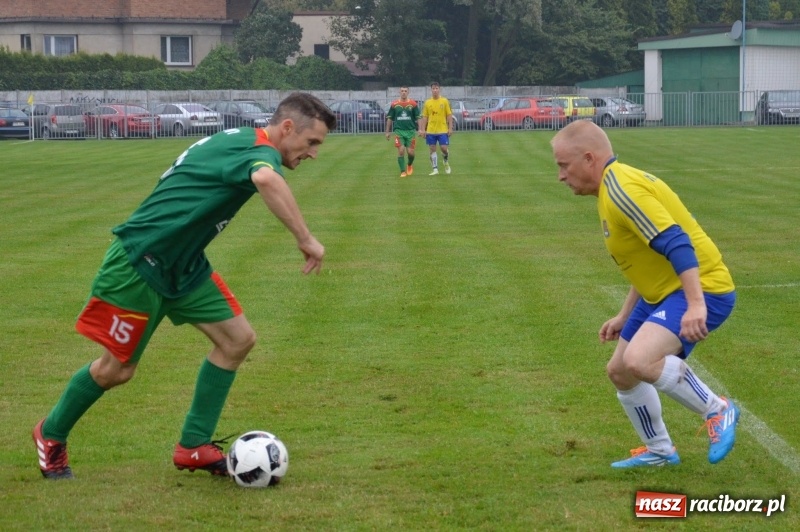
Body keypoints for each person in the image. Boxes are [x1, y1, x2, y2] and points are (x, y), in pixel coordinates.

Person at [32, 92, 337, 480]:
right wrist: (305, 238)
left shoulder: (243, 141)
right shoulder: (258, 151)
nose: (313, 153)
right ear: (287, 127)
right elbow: (265, 178)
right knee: (116, 371)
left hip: (185, 266)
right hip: (140, 262)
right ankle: (51, 433)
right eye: (311, 142)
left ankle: (194, 445)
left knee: (237, 340)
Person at [550, 120, 739, 468]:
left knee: (639, 360)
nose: (561, 176)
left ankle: (718, 410)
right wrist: (625, 315)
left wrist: (696, 303)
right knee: (621, 371)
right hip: (665, 293)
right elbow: (647, 258)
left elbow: (677, 243)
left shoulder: (623, 191)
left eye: (564, 165)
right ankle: (661, 451)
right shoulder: (611, 188)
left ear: (589, 158)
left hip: (704, 287)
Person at [417, 82, 453, 175]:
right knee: (432, 149)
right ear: (431, 90)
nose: (435, 90)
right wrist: (423, 130)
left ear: (439, 89)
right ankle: (435, 169)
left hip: (442, 129)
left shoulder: (444, 101)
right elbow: (425, 117)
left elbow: (449, 115)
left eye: (437, 88)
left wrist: (450, 128)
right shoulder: (427, 102)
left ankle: (445, 161)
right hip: (431, 130)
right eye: (433, 88)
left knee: (444, 148)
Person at [385, 86, 420, 177]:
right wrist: (387, 131)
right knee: (401, 150)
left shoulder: (413, 104)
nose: (403, 92)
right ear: (399, 92)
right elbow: (389, 118)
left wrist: (421, 129)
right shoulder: (394, 104)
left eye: (405, 91)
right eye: (402, 91)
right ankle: (403, 171)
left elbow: (418, 117)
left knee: (411, 152)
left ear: (408, 92)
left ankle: (409, 164)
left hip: (410, 131)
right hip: (399, 131)